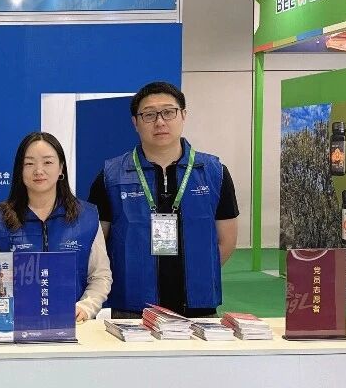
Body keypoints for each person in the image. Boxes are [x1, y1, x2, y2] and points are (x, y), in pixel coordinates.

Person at [87, 81, 239, 318]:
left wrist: (195, 273)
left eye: (169, 112)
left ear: (183, 115)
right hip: (132, 308)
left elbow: (227, 241)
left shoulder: (214, 173)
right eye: (149, 115)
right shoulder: (110, 177)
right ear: (135, 122)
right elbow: (98, 245)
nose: (160, 122)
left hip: (198, 307)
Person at [0, 132, 112, 322]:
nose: (38, 170)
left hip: (72, 326)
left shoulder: (87, 216)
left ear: (61, 168)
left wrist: (85, 307)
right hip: (16, 326)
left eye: (48, 162)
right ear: (19, 170)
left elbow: (100, 275)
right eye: (29, 163)